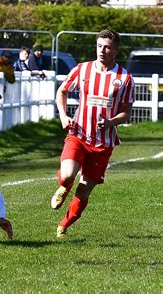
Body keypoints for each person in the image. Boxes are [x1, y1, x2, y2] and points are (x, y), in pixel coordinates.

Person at [51, 29, 135, 238]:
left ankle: (64, 225)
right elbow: (62, 91)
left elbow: (126, 113)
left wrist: (110, 122)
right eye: (99, 46)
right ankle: (63, 185)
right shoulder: (83, 69)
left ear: (116, 50)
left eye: (107, 47)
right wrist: (63, 115)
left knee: (85, 189)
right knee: (69, 173)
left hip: (103, 143)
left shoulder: (124, 78)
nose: (102, 50)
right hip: (78, 133)